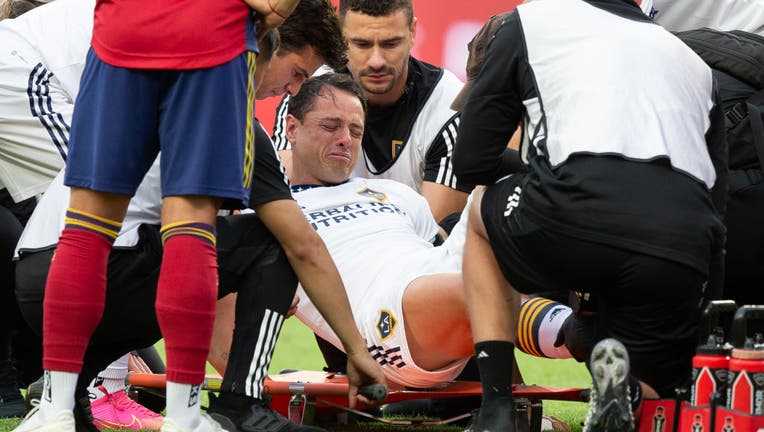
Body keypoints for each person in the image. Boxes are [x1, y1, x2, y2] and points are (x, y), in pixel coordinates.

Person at [14, 27, 385, 432]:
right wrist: (356, 349)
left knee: (180, 245)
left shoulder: (158, 86)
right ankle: (242, 405)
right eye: (296, 72)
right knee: (267, 243)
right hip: (96, 274)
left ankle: (65, 396)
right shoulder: (230, 115)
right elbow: (302, 247)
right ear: (263, 47)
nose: (292, 88)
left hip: (37, 276)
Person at [451, 1, 727, 431]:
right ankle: (633, 393)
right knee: (650, 394)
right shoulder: (692, 61)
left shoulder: (533, 20)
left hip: (574, 209)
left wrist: (537, 169)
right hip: (679, 244)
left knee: (478, 212)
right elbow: (715, 204)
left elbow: (470, 164)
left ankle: (497, 410)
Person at [273, 0, 471, 225]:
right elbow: (288, 201)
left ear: (412, 32)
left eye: (390, 44)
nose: (376, 61)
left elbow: (432, 235)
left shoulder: (448, 106)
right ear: (341, 35)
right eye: (362, 44)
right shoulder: (307, 86)